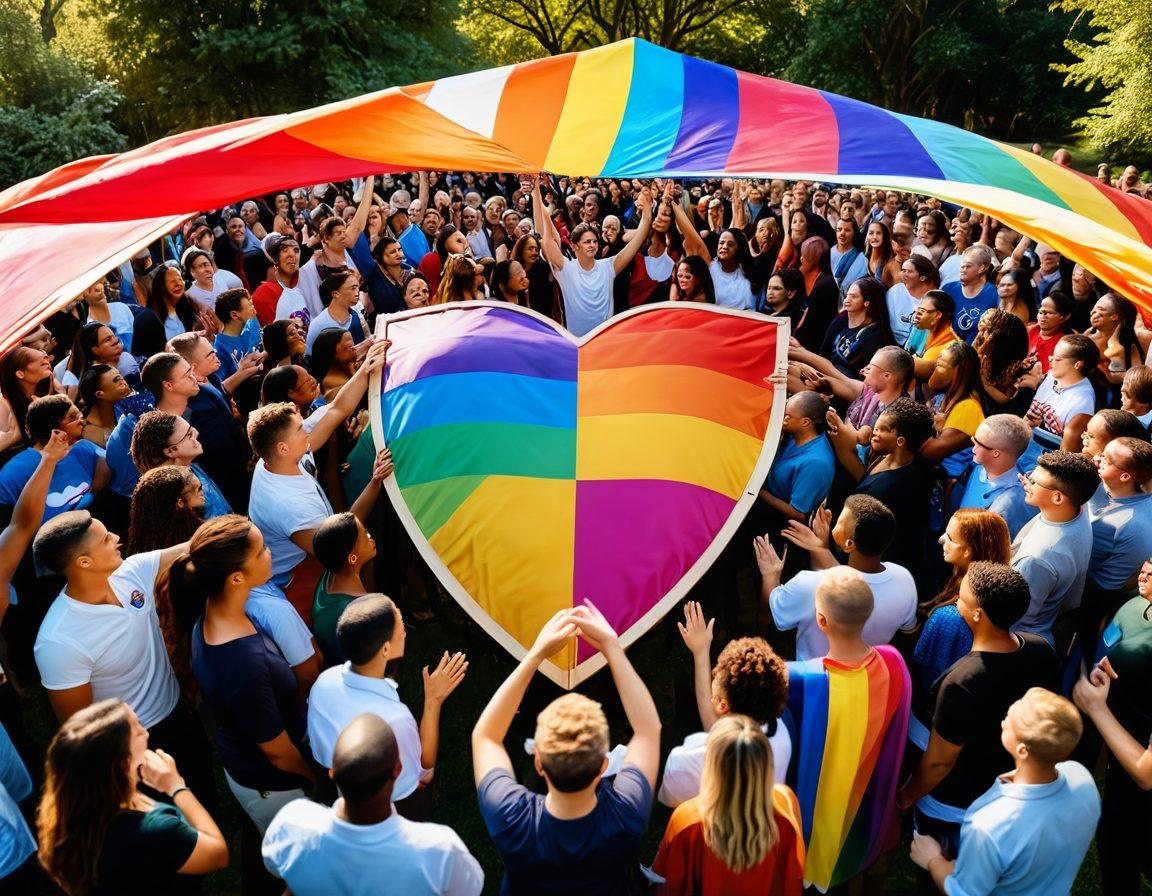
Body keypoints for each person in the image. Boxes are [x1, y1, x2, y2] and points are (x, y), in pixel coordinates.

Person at [473, 604, 660, 894]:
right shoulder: (626, 818)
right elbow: (648, 731)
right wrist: (612, 646)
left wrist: (534, 655)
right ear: (604, 765)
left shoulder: (511, 820)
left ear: (538, 762)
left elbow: (485, 736)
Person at [31, 510, 215, 805]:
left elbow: (198, 544)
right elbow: (80, 726)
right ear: (84, 562)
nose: (117, 538)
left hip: (180, 716)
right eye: (106, 539)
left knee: (205, 797)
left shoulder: (133, 571)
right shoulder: (59, 641)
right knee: (170, 835)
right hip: (134, 747)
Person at [898, 563, 1060, 862]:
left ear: (977, 614)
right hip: (1014, 796)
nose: (956, 601)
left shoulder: (962, 682)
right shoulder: (1042, 651)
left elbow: (939, 762)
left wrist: (906, 796)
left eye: (961, 597)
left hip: (957, 808)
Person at [173, 515, 314, 832]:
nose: (270, 553)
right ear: (236, 578)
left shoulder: (209, 615)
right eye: (262, 550)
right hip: (276, 788)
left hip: (248, 764)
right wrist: (315, 779)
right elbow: (277, 752)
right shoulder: (243, 664)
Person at [783, 567, 910, 892]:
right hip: (868, 796)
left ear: (821, 621)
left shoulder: (800, 680)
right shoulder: (893, 662)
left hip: (813, 809)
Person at [263, 713, 483, 896]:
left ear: (332, 774)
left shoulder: (292, 824)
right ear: (397, 770)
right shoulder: (439, 850)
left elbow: (280, 874)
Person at [910, 688, 1098, 896]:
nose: (1005, 717)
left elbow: (963, 892)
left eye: (1010, 718)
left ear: (1022, 750)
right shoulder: (1082, 779)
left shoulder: (989, 825)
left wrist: (932, 860)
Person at [37, 699, 228, 895]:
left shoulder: (64, 821)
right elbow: (218, 854)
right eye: (138, 730)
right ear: (124, 763)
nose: (146, 732)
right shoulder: (154, 830)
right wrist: (176, 787)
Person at [307, 594, 466, 818]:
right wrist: (433, 700)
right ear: (384, 650)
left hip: (337, 788)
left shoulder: (324, 681)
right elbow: (424, 764)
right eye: (400, 624)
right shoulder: (393, 719)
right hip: (392, 803)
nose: (405, 631)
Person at [650, 714, 805, 895]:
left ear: (712, 765)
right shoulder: (787, 805)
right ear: (765, 763)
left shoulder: (686, 820)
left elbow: (668, 887)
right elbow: (793, 880)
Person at [660, 603, 791, 807]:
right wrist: (701, 652)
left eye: (716, 677)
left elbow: (670, 802)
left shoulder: (686, 760)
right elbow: (715, 729)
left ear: (721, 705)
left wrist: (700, 651)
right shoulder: (781, 736)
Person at [759, 495, 917, 658]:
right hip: (866, 674)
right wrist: (822, 548)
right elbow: (907, 629)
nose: (832, 517)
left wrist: (771, 575)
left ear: (849, 544)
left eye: (840, 522)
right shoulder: (904, 580)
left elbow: (770, 617)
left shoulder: (809, 585)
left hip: (819, 676)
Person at [910, 511, 1012, 742]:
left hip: (927, 725)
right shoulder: (1000, 591)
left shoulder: (950, 617)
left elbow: (924, 672)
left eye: (950, 538)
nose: (940, 540)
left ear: (969, 551)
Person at [1073, 600, 1152, 896]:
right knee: (1115, 845)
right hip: (1121, 767)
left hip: (1141, 779)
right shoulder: (1136, 597)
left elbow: (1147, 773)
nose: (1146, 569)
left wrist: (1097, 709)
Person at [533, 175, 653, 336]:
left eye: (595, 241)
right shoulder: (565, 268)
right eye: (587, 242)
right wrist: (537, 195)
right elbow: (546, 239)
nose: (592, 245)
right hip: (575, 343)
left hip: (604, 342)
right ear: (575, 246)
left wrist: (647, 211)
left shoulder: (608, 267)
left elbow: (638, 240)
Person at [1010, 450, 1098, 645]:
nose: (1026, 480)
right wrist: (1037, 489)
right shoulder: (1078, 510)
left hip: (1021, 637)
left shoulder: (1038, 559)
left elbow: (1015, 616)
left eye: (1034, 481)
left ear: (1058, 498)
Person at [0, 395, 108, 524]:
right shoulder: (15, 470)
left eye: (79, 415)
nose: (81, 420)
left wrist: (93, 493)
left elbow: (110, 464)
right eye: (72, 417)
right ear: (52, 428)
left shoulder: (83, 448)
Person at [129, 410, 231, 519]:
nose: (195, 433)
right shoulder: (171, 496)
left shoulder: (192, 468)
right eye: (189, 435)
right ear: (170, 451)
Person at [759, 391, 835, 524]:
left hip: (776, 518)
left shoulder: (816, 463)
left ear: (806, 422)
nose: (783, 419)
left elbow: (798, 513)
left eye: (788, 416)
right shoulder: (793, 433)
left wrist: (757, 491)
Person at [955, 414, 1035, 536]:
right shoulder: (976, 468)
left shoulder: (1012, 501)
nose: (973, 449)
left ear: (996, 453)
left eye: (977, 444)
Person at [1024, 333, 1099, 461]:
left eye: (1057, 359)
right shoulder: (1053, 375)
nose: (1050, 360)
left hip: (1042, 462)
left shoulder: (1082, 403)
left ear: (1077, 364)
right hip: (1024, 446)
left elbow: (1067, 458)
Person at [310, 512, 373, 662]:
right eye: (365, 535)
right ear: (352, 558)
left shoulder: (330, 574)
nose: (370, 537)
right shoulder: (358, 612)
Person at [817, 277, 894, 380]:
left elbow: (859, 373)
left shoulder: (875, 335)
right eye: (847, 295)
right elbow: (824, 351)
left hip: (848, 383)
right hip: (825, 373)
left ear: (866, 302)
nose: (846, 300)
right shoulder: (842, 317)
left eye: (854, 297)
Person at [941, 245, 998, 344]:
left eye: (968, 266)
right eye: (962, 266)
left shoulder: (994, 295)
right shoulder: (948, 289)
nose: (962, 269)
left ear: (983, 268)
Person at [306, 269, 370, 355]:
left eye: (358, 288)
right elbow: (309, 357)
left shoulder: (357, 316)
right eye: (353, 288)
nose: (357, 292)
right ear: (336, 294)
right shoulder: (317, 325)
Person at [904, 290, 960, 384]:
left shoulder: (951, 347)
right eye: (917, 310)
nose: (915, 316)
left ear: (937, 315)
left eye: (921, 312)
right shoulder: (926, 329)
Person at [251, 233, 306, 328]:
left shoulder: (304, 282)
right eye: (285, 250)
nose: (292, 254)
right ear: (274, 259)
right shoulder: (264, 293)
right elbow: (275, 334)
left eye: (296, 250)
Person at [887, 255, 940, 345]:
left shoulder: (935, 297)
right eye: (903, 270)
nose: (904, 274)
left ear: (922, 278)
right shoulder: (895, 292)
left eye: (910, 271)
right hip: (897, 344)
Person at [78, 364, 132, 449]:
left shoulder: (119, 413)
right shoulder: (91, 434)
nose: (125, 384)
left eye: (122, 378)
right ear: (100, 394)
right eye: (118, 381)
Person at [1026, 290, 1074, 374]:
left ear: (1064, 317)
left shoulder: (1066, 344)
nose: (1043, 316)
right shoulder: (1027, 331)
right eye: (1041, 312)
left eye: (1049, 313)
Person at [1121, 364, 1152, 428]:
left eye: (1127, 396)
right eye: (1122, 393)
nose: (1122, 399)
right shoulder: (1121, 418)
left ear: (1143, 403)